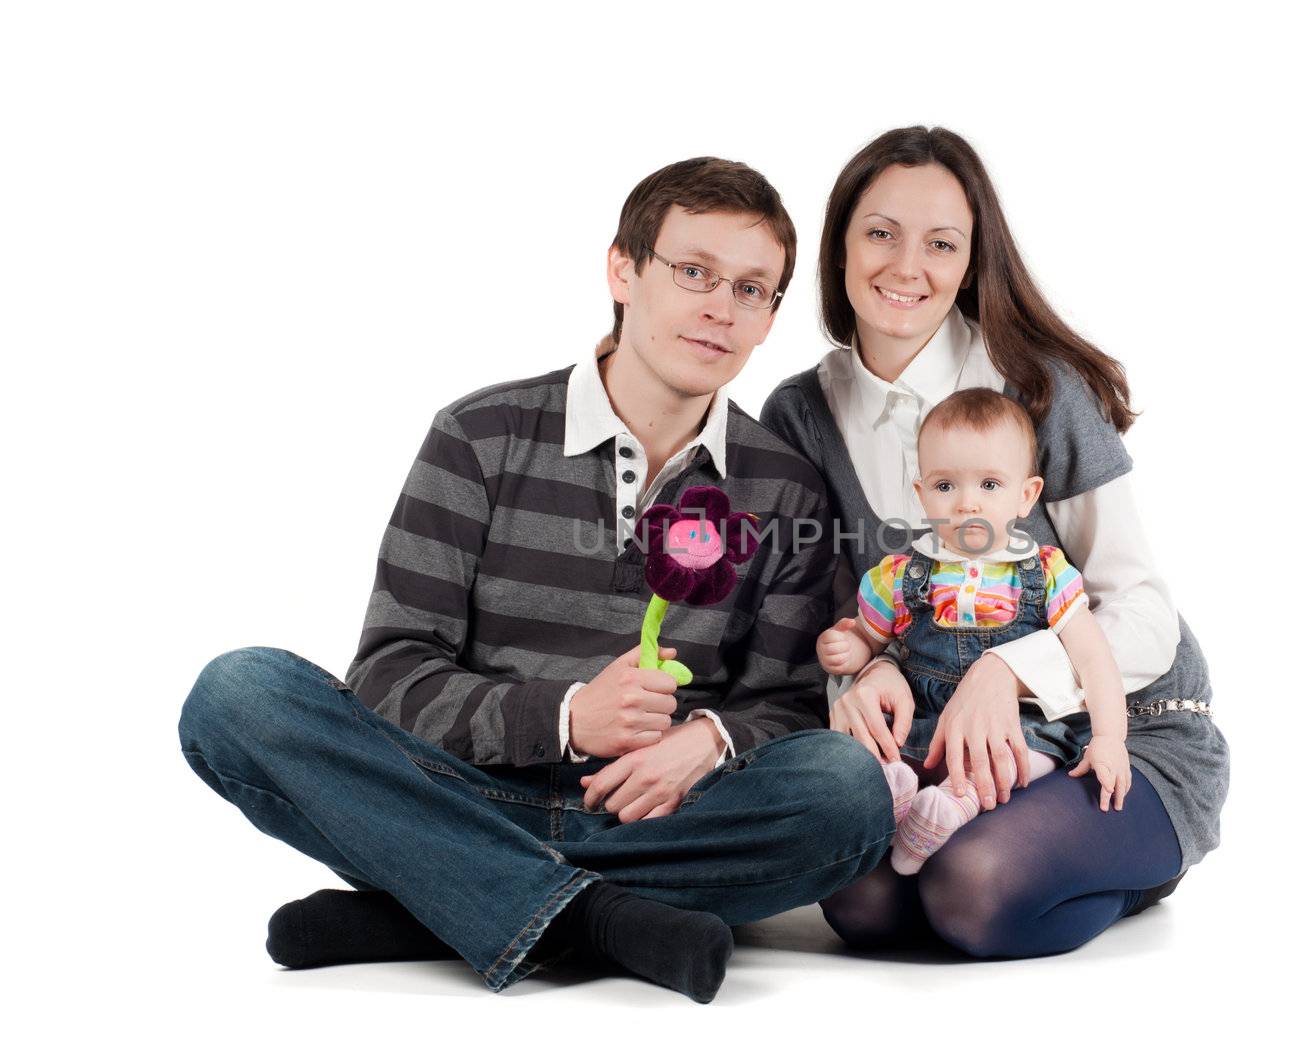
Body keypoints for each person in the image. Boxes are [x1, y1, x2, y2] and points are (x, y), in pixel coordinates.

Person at [177, 157, 895, 1003]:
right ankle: (593, 919)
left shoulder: (781, 485)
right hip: (461, 793)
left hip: (658, 819)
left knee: (847, 793)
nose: (720, 309)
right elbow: (387, 676)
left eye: (752, 289)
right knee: (238, 694)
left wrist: (705, 741)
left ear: (772, 314)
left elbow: (790, 701)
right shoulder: (482, 436)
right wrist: (565, 714)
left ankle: (433, 901)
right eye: (695, 272)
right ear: (623, 269)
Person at [760, 126, 1231, 957]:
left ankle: (1125, 862)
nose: (907, 266)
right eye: (881, 232)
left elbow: (1145, 610)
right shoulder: (799, 414)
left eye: (941, 244)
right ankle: (1024, 849)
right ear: (838, 244)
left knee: (973, 888)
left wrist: (1010, 667)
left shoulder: (1037, 385)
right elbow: (826, 619)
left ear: (972, 261)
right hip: (933, 741)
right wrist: (862, 675)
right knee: (861, 901)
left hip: (1113, 726)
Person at [816, 388, 1132, 875]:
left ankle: (955, 803)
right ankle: (892, 788)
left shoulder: (1045, 573)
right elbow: (871, 639)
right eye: (946, 487)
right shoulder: (902, 574)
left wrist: (1110, 738)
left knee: (1035, 753)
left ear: (1026, 496)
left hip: (1012, 726)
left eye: (989, 484)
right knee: (875, 742)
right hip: (927, 723)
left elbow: (1094, 660)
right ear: (921, 496)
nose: (966, 503)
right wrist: (849, 647)